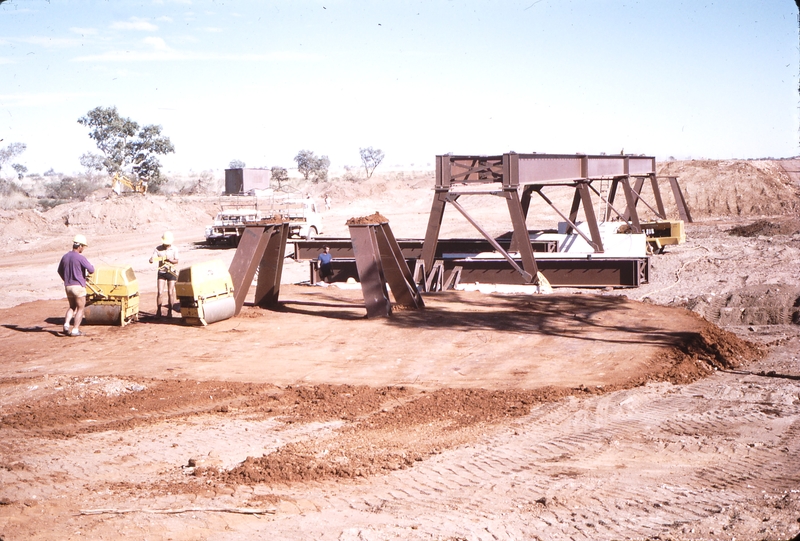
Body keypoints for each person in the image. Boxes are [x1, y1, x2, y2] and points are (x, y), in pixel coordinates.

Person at [57, 234, 94, 337]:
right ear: (80, 246)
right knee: (81, 308)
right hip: (78, 287)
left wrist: (67, 279)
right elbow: (91, 270)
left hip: (68, 286)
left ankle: (66, 325)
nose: (83, 249)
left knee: (72, 306)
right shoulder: (80, 257)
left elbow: (59, 271)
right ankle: (75, 330)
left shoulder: (65, 256)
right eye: (83, 247)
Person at [149, 231, 179, 317]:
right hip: (161, 272)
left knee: (170, 292)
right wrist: (151, 259)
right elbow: (152, 258)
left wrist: (170, 260)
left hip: (171, 272)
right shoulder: (158, 249)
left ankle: (170, 311)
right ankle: (158, 311)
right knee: (160, 292)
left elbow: (176, 261)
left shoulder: (175, 249)